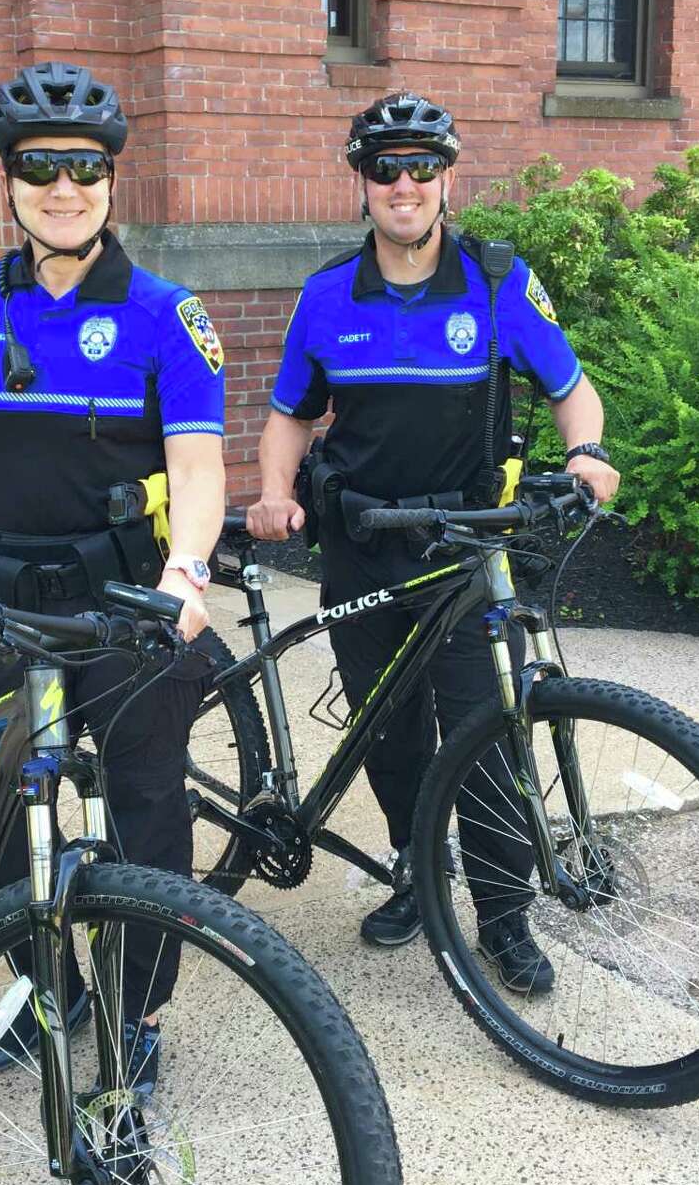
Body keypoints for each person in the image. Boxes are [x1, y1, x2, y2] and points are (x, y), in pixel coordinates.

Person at [0, 61, 227, 1088]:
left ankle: (137, 1011)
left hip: (124, 611)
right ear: (8, 181)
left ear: (112, 181)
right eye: (39, 168)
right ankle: (42, 986)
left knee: (148, 812)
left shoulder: (163, 313)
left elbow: (198, 468)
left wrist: (187, 574)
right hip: (4, 609)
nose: (64, 188)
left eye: (85, 168)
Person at [246, 92, 623, 993]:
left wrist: (589, 452)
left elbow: (573, 389)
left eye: (422, 167)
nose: (404, 184)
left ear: (447, 179)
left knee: (485, 736)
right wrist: (270, 492)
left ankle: (502, 919)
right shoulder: (328, 295)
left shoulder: (496, 281)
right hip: (360, 541)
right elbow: (290, 417)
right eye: (386, 169)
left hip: (464, 551)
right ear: (363, 184)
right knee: (391, 734)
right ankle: (418, 871)